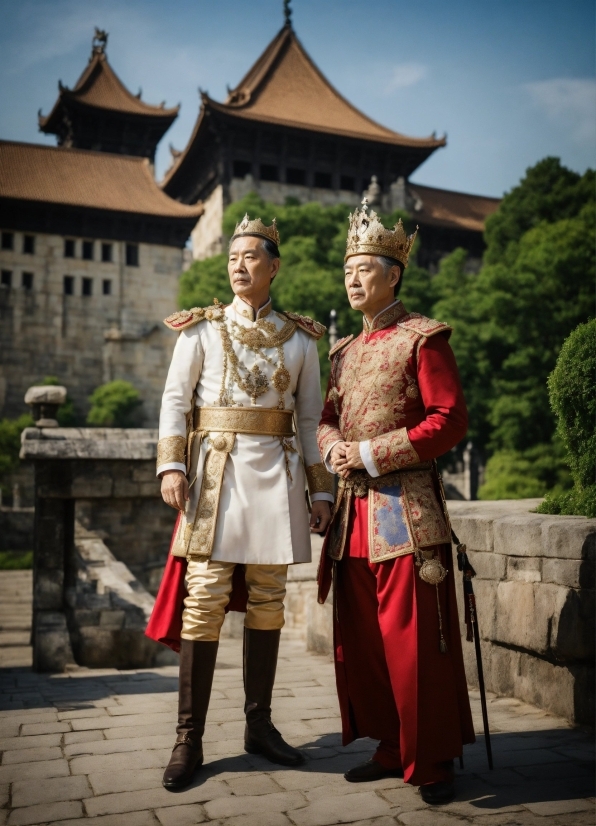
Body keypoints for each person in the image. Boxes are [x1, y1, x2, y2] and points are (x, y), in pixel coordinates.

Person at [148, 214, 333, 790]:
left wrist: (321, 488)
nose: (238, 265)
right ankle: (189, 737)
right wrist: (171, 466)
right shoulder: (200, 330)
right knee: (202, 598)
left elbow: (309, 420)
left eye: (250, 256)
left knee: (269, 599)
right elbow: (174, 402)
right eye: (233, 257)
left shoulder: (302, 338)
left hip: (277, 479)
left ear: (273, 267)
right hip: (215, 476)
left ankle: (259, 725)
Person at [316, 200, 475, 805]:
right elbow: (327, 419)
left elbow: (449, 421)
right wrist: (334, 450)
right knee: (364, 641)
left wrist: (373, 455)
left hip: (405, 510)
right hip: (352, 515)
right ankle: (389, 744)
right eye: (348, 269)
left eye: (364, 268)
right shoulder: (344, 353)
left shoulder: (423, 338)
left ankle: (429, 756)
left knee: (413, 638)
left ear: (394, 274)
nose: (352, 278)